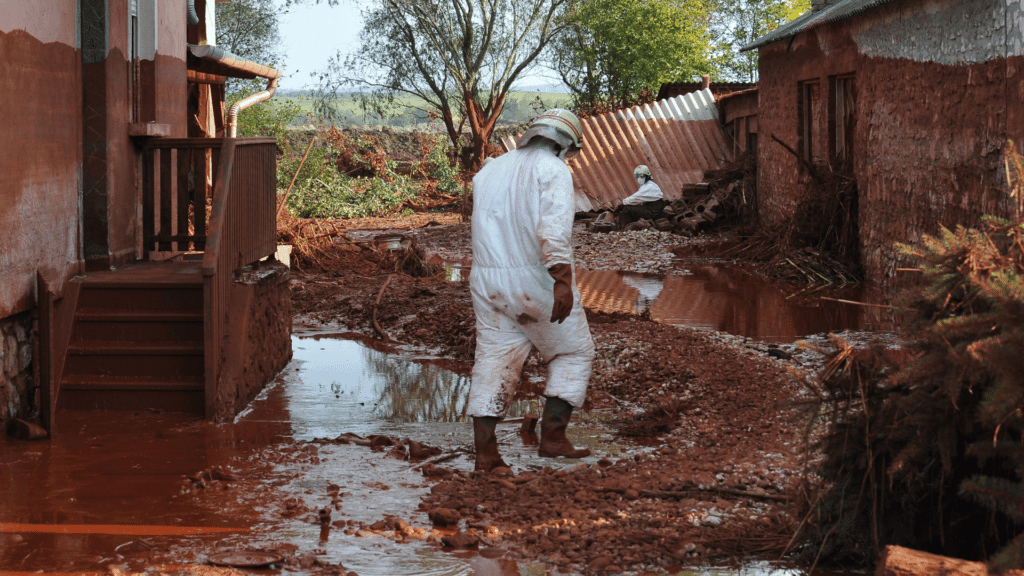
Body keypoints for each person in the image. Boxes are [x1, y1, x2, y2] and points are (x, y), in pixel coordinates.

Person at [466, 109, 595, 472]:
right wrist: (563, 281)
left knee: (492, 359)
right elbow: (553, 232)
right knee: (573, 352)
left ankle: (487, 456)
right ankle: (553, 439)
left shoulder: (489, 169)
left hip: (487, 281)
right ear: (565, 143)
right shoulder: (553, 170)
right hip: (533, 279)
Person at [615, 165, 668, 229]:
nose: (639, 178)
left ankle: (627, 229)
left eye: (642, 176)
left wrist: (621, 204)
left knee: (627, 209)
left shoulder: (649, 187)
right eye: (638, 177)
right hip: (653, 210)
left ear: (647, 176)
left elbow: (635, 198)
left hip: (653, 212)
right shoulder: (650, 185)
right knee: (633, 207)